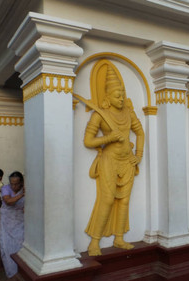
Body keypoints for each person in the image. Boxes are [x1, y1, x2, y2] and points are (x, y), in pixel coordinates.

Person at [83, 64, 144, 256]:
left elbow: (140, 132)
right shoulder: (99, 115)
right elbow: (88, 141)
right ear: (107, 97)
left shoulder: (128, 112)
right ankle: (95, 242)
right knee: (107, 200)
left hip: (127, 160)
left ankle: (119, 238)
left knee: (124, 201)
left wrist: (139, 155)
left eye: (123, 94)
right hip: (109, 160)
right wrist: (109, 138)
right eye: (117, 95)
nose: (121, 98)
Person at [0, 171, 25, 280]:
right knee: (6, 247)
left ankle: (21, 270)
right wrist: (22, 194)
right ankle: (11, 272)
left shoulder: (26, 189)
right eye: (12, 184)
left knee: (21, 245)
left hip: (20, 222)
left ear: (21, 183)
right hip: (7, 222)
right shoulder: (5, 188)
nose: (14, 186)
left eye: (16, 184)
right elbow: (9, 201)